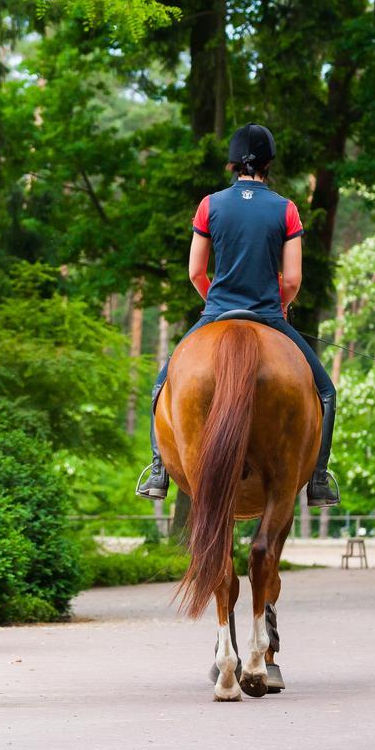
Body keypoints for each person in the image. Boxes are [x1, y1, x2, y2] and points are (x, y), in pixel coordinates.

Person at [135, 123, 340, 507]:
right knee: (326, 392)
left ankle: (159, 469)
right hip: (269, 316)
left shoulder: (209, 205)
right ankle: (318, 478)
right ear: (268, 163)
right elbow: (293, 279)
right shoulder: (286, 209)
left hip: (216, 313)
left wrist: (215, 301)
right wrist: (279, 303)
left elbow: (196, 271)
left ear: (233, 163)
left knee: (161, 386)